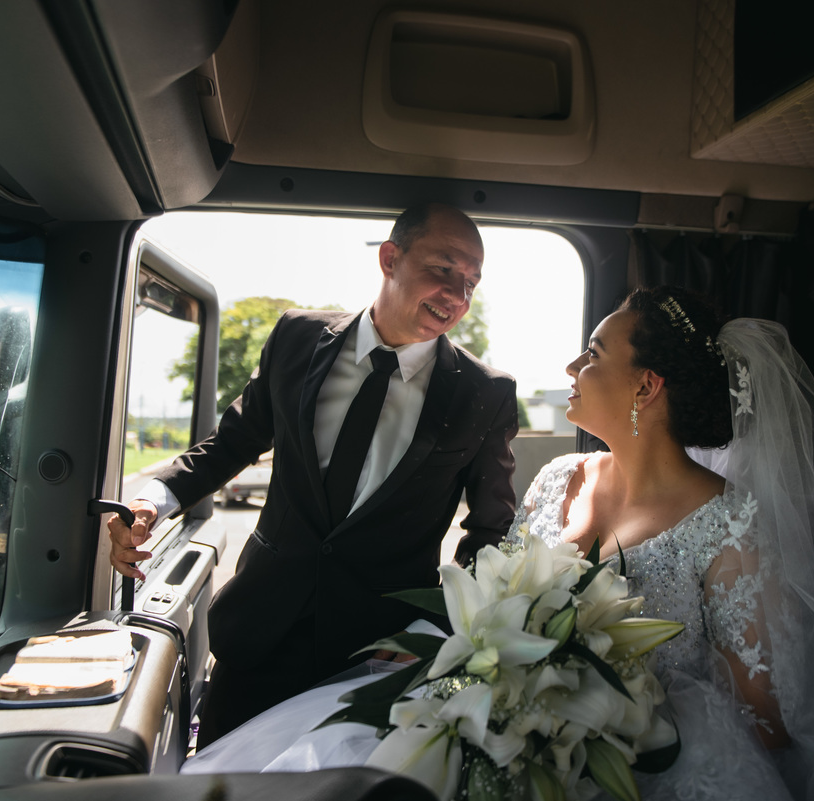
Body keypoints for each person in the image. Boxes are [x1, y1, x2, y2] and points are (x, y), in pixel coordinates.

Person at [184, 286, 814, 801]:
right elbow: (499, 602)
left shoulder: (732, 523)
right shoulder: (558, 477)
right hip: (490, 720)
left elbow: (764, 718)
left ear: (648, 385)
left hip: (638, 757)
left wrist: (596, 719)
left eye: (595, 352)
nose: (574, 364)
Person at [108, 203, 519, 747]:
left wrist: (431, 630)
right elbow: (233, 442)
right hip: (258, 637)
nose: (457, 295)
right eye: (443, 269)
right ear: (390, 259)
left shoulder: (485, 392)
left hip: (379, 661)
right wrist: (153, 502)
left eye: (470, 282)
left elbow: (492, 533)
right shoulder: (296, 337)